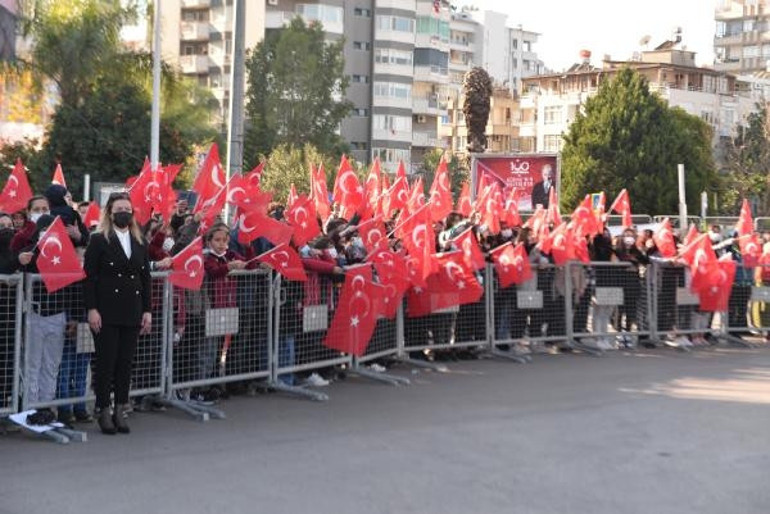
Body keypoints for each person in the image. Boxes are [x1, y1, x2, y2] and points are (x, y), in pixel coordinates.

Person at [84, 193, 152, 435]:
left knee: (125, 362)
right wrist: (92, 309)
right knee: (106, 362)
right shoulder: (98, 239)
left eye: (127, 208)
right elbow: (89, 278)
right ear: (110, 212)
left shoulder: (139, 240)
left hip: (132, 308)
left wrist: (147, 310)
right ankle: (103, 408)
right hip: (106, 309)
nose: (124, 212)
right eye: (119, 208)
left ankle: (120, 407)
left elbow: (145, 278)